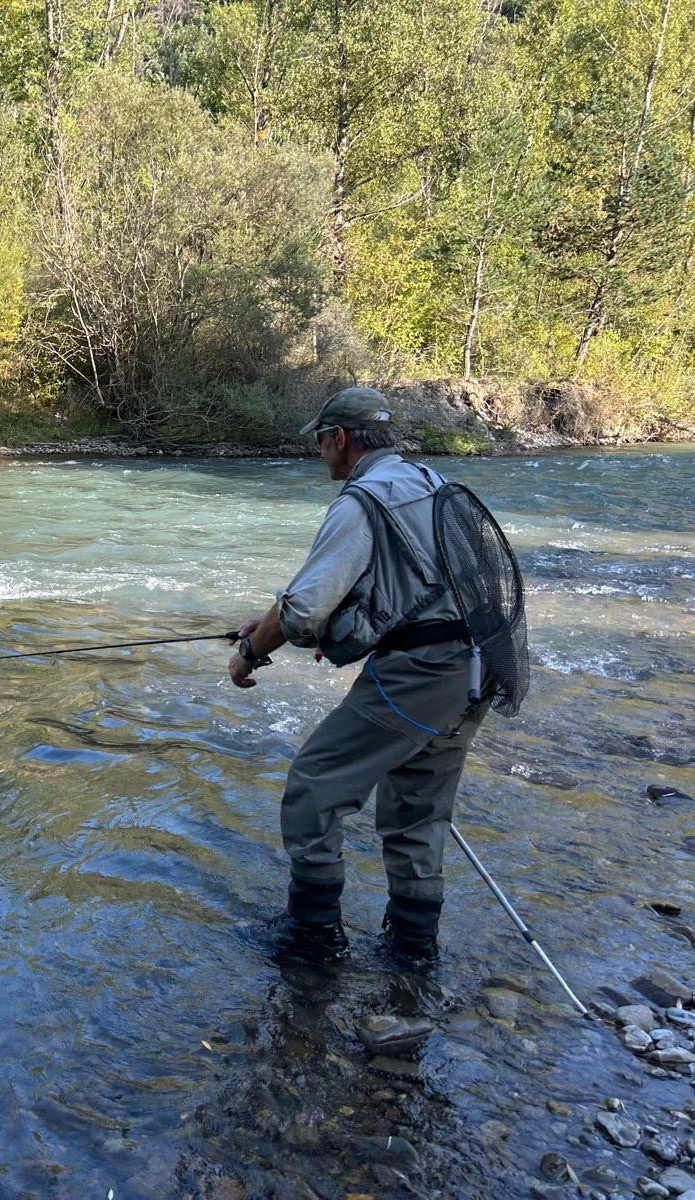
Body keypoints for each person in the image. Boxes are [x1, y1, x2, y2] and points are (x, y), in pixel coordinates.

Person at [227, 386, 487, 962]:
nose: (320, 454)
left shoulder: (360, 501)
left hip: (421, 671)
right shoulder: (432, 483)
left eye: (320, 442)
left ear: (339, 439)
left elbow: (302, 610)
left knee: (314, 787)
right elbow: (408, 588)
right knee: (418, 804)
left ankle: (313, 938)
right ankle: (414, 948)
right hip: (478, 666)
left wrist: (251, 652)